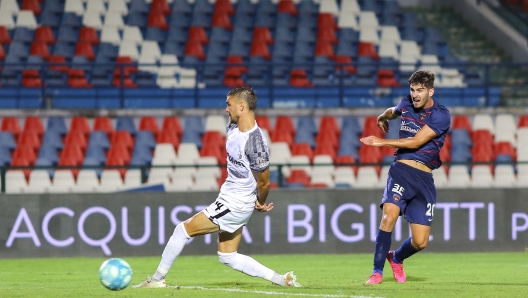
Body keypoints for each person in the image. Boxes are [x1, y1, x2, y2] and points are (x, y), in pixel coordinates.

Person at [133, 87, 301, 289]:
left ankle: (157, 279)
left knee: (182, 230)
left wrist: (261, 202)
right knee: (227, 255)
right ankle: (281, 279)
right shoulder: (233, 127)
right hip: (232, 198)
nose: (226, 109)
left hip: (235, 203)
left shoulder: (255, 143)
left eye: (229, 104)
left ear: (242, 106)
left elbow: (264, 182)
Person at [360, 71, 451, 285]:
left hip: (425, 178)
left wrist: (381, 142)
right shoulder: (406, 103)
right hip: (401, 171)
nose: (415, 95)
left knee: (420, 242)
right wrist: (382, 117)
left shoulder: (441, 114)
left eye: (420, 90)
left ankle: (396, 257)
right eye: (412, 90)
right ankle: (376, 272)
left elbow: (417, 141)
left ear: (431, 91)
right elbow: (393, 111)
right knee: (388, 217)